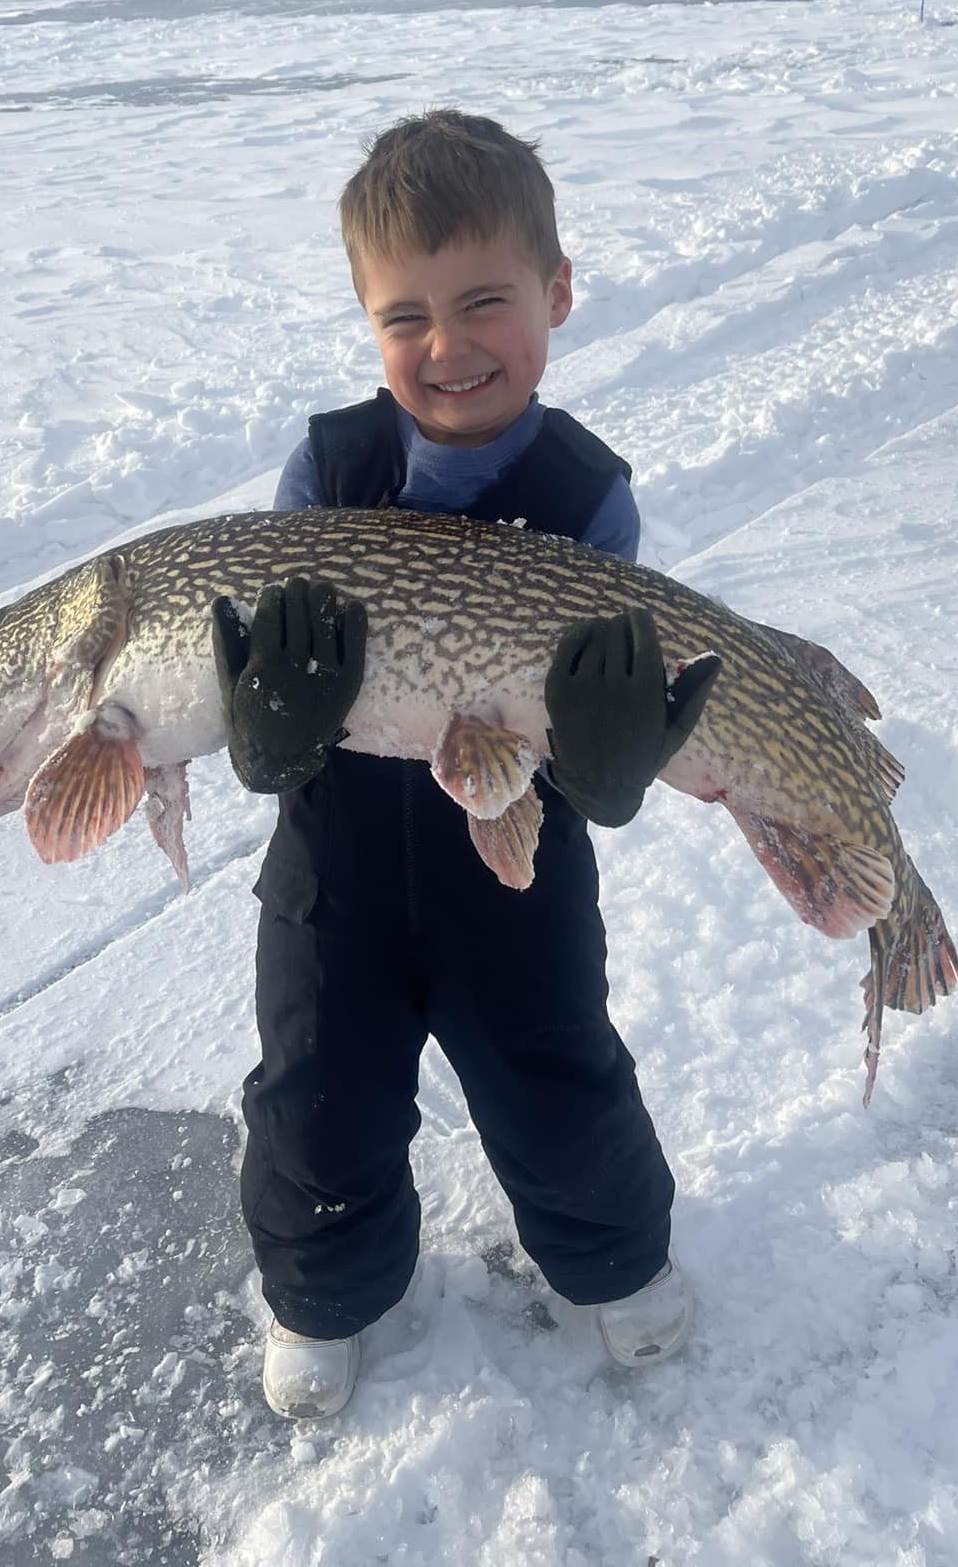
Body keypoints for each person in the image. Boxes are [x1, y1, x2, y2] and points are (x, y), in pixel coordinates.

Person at [211, 110, 715, 1420]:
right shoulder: (327, 469)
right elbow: (259, 656)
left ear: (555, 292)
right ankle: (328, 1296)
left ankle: (616, 1269)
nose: (446, 347)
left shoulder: (586, 491)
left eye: (485, 301)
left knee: (560, 1083)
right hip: (337, 870)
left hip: (516, 869)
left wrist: (611, 765)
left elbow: (618, 690)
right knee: (316, 1100)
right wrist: (265, 730)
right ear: (366, 320)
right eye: (405, 316)